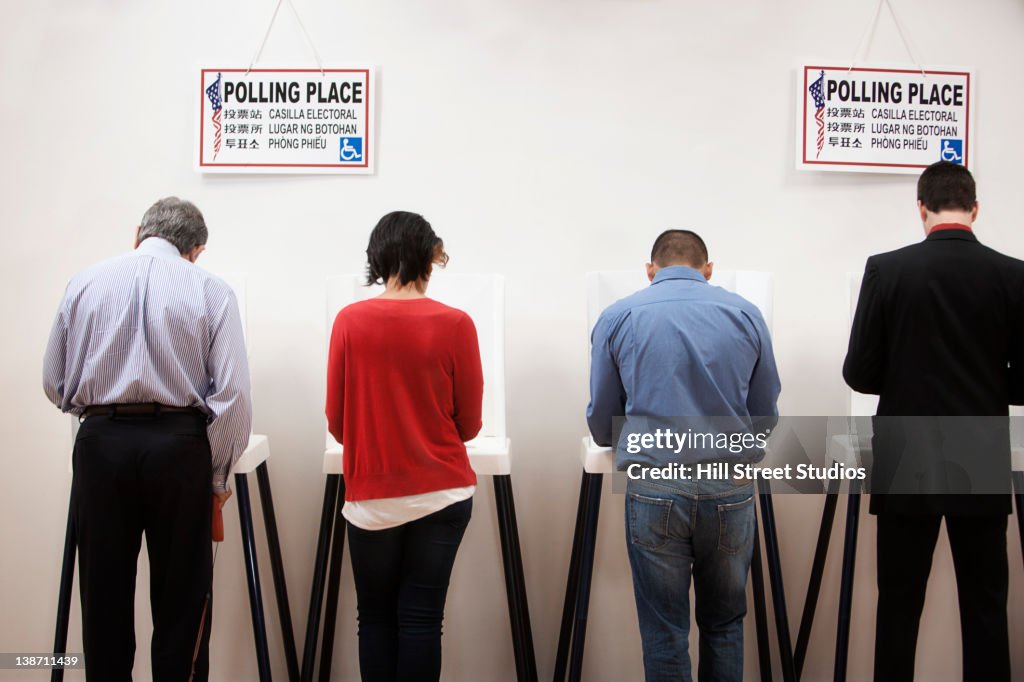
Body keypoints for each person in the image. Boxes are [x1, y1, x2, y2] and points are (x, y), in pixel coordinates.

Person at [42, 197, 252, 681]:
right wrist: (217, 476)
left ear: (138, 233)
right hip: (178, 448)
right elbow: (233, 395)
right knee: (183, 598)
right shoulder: (212, 291)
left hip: (100, 444)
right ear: (195, 250)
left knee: (103, 598)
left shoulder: (85, 282)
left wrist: (96, 409)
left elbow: (54, 380)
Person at [844, 161, 1022, 681]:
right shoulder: (1014, 274)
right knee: (986, 604)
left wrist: (904, 379)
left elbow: (859, 372)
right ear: (975, 209)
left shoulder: (886, 268)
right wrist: (988, 384)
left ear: (920, 208)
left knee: (899, 602)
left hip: (906, 450)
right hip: (980, 447)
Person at [587, 230, 780, 682]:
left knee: (664, 633)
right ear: (708, 269)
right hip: (729, 488)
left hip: (655, 489)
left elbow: (602, 419)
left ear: (650, 270)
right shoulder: (746, 314)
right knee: (726, 624)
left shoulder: (618, 315)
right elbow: (765, 411)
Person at [326, 210, 483, 681]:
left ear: (379, 257)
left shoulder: (350, 321)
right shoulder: (456, 323)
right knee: (421, 619)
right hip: (443, 492)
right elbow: (470, 424)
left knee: (374, 617)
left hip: (372, 497)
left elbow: (337, 421)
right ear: (426, 260)